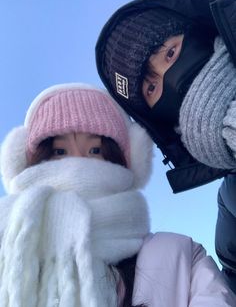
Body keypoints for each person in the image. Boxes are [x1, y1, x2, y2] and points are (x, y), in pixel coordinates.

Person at [0, 83, 234, 306]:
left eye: (95, 150)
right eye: (59, 151)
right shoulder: (6, 255)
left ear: (124, 161)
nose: (77, 163)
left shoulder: (181, 256)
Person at [95, 0, 236, 294]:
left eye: (170, 53)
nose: (173, 80)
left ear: (198, 32)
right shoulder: (231, 205)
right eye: (151, 87)